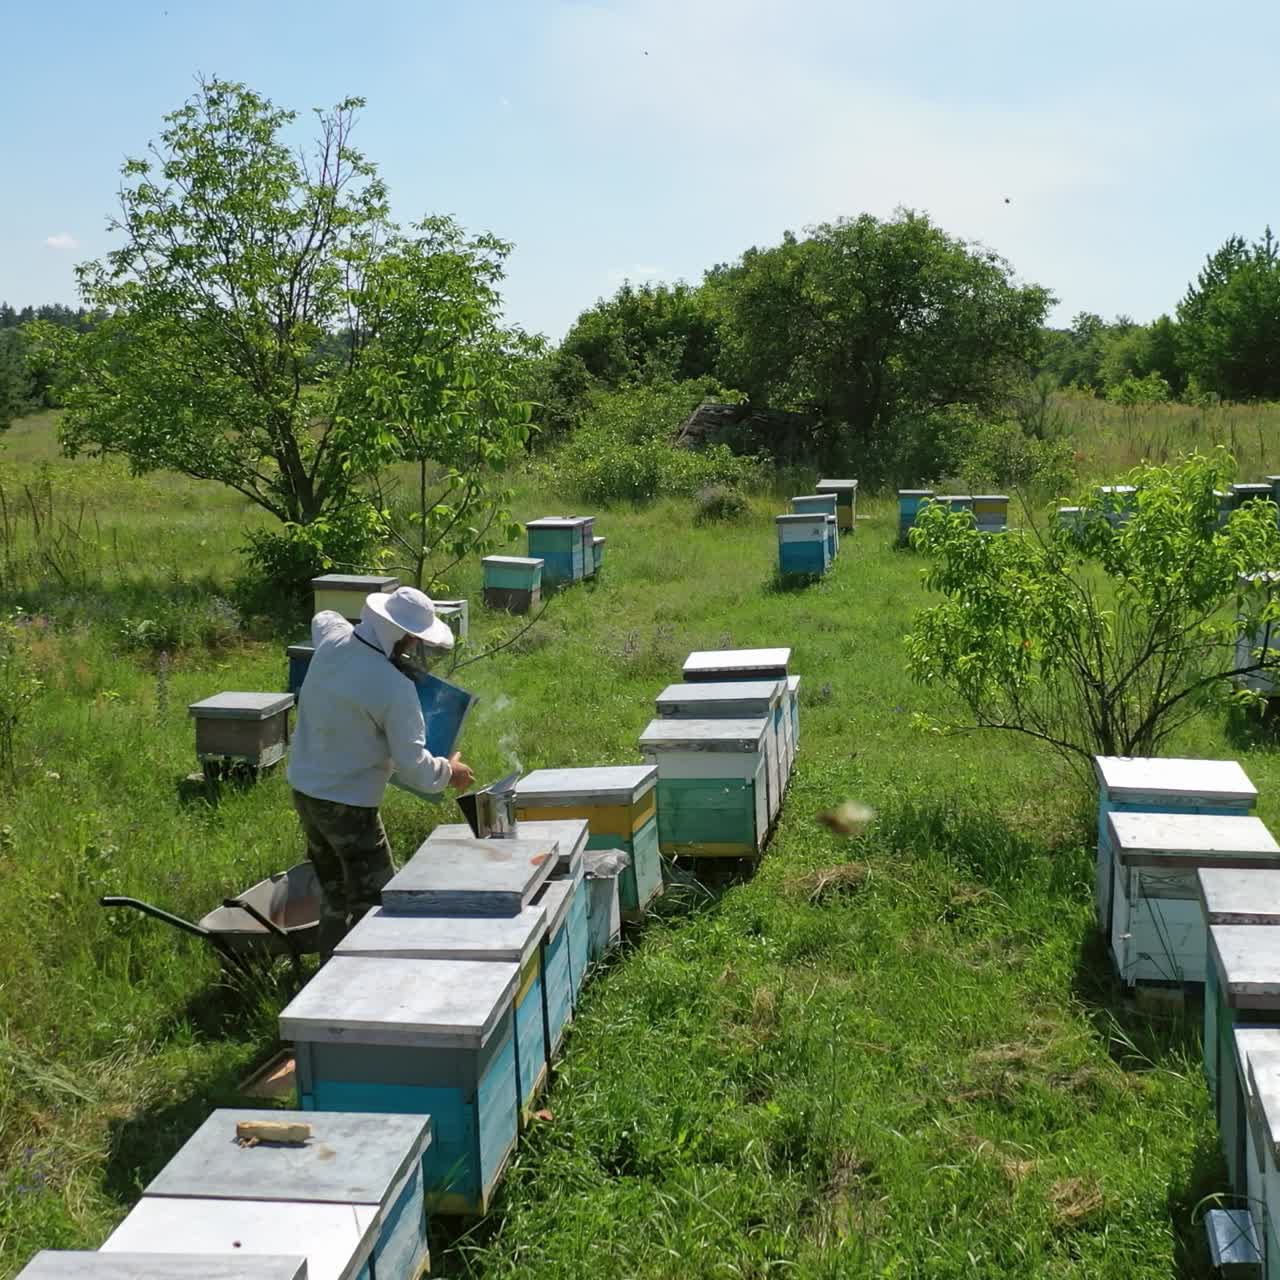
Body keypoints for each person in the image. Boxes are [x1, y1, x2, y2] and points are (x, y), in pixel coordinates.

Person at [287, 585, 475, 958]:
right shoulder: (393, 687)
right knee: (374, 904)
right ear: (403, 635)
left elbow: (323, 618)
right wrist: (449, 771)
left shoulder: (332, 642)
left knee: (334, 893)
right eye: (413, 638)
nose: (414, 647)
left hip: (305, 791)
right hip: (348, 806)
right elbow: (414, 766)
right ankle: (364, 984)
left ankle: (326, 978)